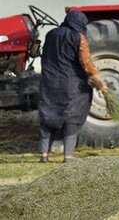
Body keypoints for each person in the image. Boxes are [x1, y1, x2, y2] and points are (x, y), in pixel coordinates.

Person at [38, 10, 107, 163]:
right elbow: (86, 62)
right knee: (72, 117)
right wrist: (99, 82)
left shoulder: (51, 34)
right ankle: (68, 156)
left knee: (48, 117)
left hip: (49, 82)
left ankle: (44, 155)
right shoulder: (78, 37)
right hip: (71, 85)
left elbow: (44, 57)